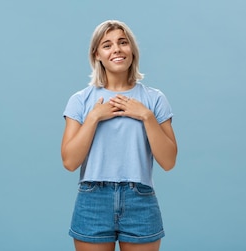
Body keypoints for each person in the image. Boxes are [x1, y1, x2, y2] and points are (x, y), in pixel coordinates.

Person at [61, 20, 178, 251]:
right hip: (93, 199)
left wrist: (146, 116)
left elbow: (169, 161)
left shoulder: (154, 99)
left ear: (132, 50)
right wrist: (94, 117)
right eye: (107, 45)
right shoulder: (80, 100)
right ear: (97, 55)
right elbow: (70, 162)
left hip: (140, 199)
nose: (116, 49)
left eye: (123, 42)